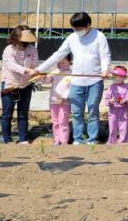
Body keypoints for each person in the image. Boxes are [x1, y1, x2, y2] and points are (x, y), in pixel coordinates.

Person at [31, 12, 111, 145]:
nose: (76, 31)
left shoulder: (99, 36)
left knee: (93, 111)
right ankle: (78, 139)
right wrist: (40, 69)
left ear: (88, 25)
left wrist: (104, 69)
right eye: (74, 28)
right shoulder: (72, 38)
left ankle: (92, 139)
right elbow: (58, 55)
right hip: (77, 82)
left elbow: (105, 55)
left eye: (79, 28)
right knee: (77, 112)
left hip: (94, 81)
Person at [0, 26, 38, 144]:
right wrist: (26, 70)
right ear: (16, 37)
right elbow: (11, 65)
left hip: (26, 85)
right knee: (7, 114)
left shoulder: (32, 49)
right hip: (10, 84)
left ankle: (23, 139)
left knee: (23, 114)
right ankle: (7, 139)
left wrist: (36, 72)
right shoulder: (9, 49)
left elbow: (34, 64)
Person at [44, 55, 72, 145]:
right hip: (53, 101)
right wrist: (43, 77)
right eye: (60, 63)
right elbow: (46, 81)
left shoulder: (72, 73)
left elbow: (71, 88)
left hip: (65, 102)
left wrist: (64, 98)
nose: (62, 65)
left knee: (63, 122)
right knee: (55, 122)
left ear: (69, 62)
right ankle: (57, 139)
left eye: (64, 63)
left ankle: (64, 141)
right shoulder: (55, 72)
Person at [105, 66, 128, 144]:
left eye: (120, 76)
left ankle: (123, 141)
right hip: (113, 111)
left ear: (124, 77)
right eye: (116, 76)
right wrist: (110, 101)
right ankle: (112, 141)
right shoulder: (111, 87)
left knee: (123, 127)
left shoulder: (127, 87)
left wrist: (125, 100)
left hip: (123, 111)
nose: (118, 78)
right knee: (112, 127)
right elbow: (106, 100)